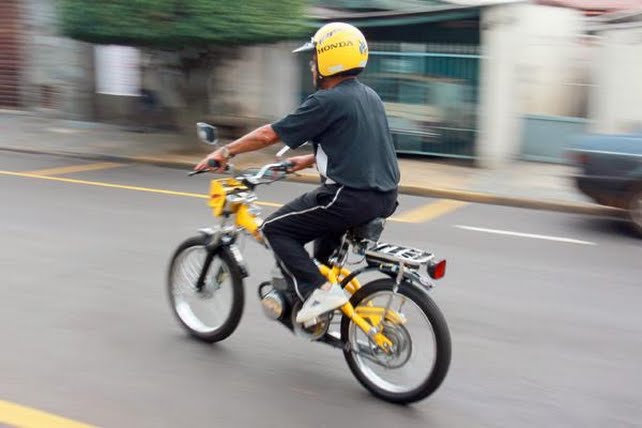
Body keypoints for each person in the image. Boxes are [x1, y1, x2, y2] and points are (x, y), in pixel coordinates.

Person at [194, 22, 400, 324]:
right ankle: (322, 311)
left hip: (347, 198)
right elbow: (355, 148)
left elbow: (268, 135)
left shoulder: (327, 100)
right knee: (321, 255)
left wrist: (224, 152)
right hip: (385, 197)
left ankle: (320, 291)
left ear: (331, 59)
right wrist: (303, 161)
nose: (311, 65)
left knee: (276, 229)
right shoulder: (369, 96)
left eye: (314, 57)